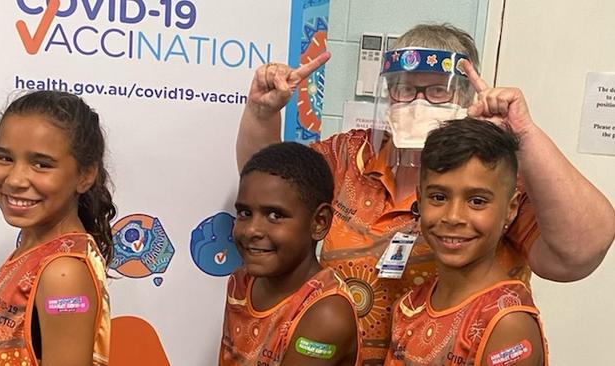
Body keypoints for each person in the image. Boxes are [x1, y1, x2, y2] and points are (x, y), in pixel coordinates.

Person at [236, 23, 615, 365]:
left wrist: (523, 136)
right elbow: (270, 189)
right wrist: (263, 113)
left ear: (466, 98)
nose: (418, 102)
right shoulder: (349, 157)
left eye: (436, 91)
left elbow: (580, 253)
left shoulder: (496, 179)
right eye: (404, 89)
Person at [385, 118, 547, 365]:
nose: (453, 217)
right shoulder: (410, 304)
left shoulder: (505, 324)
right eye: (438, 197)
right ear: (420, 198)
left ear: (511, 209)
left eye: (477, 201)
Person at [0, 91, 115, 366]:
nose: (14, 180)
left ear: (85, 176)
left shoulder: (63, 275)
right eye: (4, 158)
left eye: (41, 164)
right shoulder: (34, 247)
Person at [219, 142, 359, 366]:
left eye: (275, 215)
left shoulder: (326, 314)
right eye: (244, 213)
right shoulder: (240, 282)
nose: (252, 230)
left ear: (319, 222)